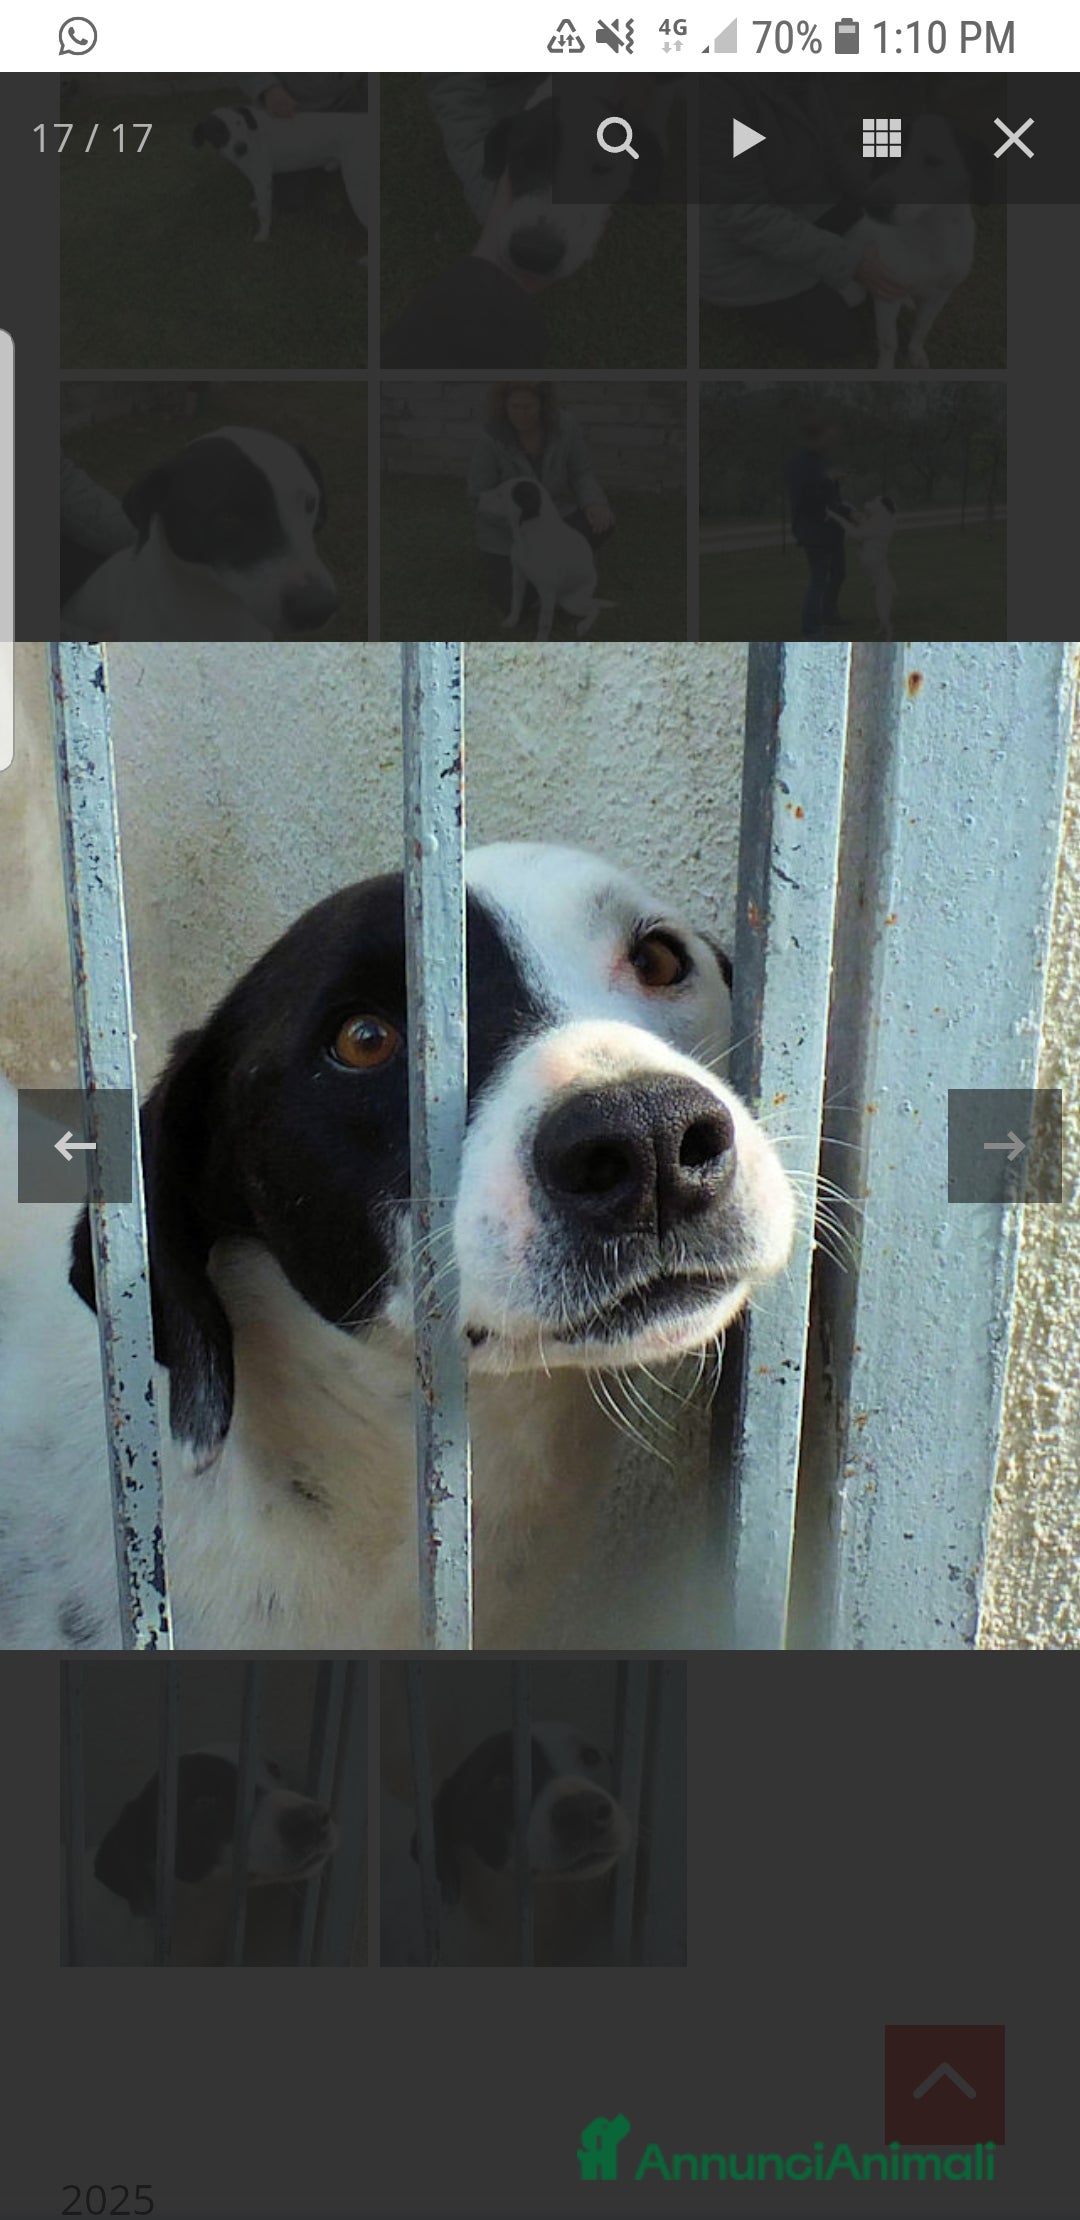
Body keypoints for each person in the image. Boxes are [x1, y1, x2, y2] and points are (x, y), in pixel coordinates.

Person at [701, 83, 908, 365]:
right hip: (738, 255)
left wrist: (881, 196)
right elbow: (746, 214)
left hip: (798, 210)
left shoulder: (804, 79)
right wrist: (850, 262)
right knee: (841, 336)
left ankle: (827, 279)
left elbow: (834, 153)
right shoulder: (718, 96)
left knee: (868, 232)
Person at [466, 384, 615, 614]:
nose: (521, 414)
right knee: (513, 602)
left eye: (528, 407)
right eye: (514, 406)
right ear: (504, 406)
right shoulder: (490, 438)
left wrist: (594, 502)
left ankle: (559, 574)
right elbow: (478, 496)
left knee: (601, 523)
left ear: (543, 405)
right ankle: (550, 578)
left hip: (555, 518)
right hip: (508, 533)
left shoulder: (565, 426)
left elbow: (581, 472)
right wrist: (520, 521)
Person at [784, 420, 847, 638]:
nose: (831, 443)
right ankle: (811, 627)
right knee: (818, 577)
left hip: (831, 527)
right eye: (827, 438)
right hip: (815, 529)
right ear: (816, 438)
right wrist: (827, 482)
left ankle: (829, 614)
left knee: (838, 572)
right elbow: (808, 497)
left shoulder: (822, 461)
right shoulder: (801, 464)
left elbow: (829, 492)